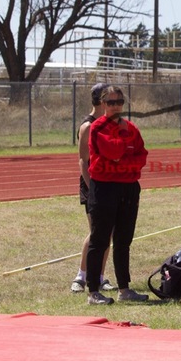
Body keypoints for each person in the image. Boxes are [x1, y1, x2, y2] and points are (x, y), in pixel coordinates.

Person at [85, 85, 149, 305]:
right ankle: (93, 291)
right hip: (104, 188)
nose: (116, 106)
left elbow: (142, 156)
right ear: (103, 104)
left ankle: (124, 289)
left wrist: (123, 158)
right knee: (100, 240)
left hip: (129, 187)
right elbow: (113, 151)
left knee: (124, 240)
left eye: (119, 102)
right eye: (111, 102)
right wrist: (125, 150)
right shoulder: (97, 128)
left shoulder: (131, 127)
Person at [70, 83, 116, 293]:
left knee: (108, 233)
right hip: (92, 183)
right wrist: (92, 188)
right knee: (97, 232)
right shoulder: (88, 126)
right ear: (100, 100)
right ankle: (81, 276)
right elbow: (82, 161)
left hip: (109, 182)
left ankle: (99, 276)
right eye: (111, 99)